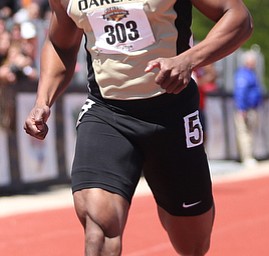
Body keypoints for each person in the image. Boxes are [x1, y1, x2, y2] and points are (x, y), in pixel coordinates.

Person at [24, 0, 253, 255]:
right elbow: (60, 43)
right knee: (98, 230)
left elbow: (239, 17)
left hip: (172, 113)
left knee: (193, 244)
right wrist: (43, 100)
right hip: (108, 113)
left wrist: (188, 60)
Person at [233, 50, 263, 167]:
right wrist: (242, 108)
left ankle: (249, 156)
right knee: (244, 133)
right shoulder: (243, 74)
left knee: (249, 133)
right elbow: (241, 92)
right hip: (245, 109)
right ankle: (246, 157)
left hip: (251, 108)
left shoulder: (251, 73)